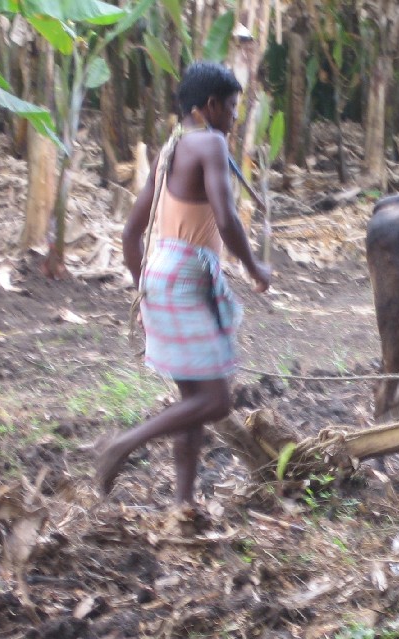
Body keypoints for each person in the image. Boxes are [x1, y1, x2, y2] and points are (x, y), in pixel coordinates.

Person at [96, 61, 272, 509]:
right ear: (210, 106)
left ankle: (183, 505)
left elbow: (130, 233)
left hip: (159, 272)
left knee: (192, 403)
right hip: (187, 276)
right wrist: (255, 267)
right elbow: (228, 218)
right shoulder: (210, 143)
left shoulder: (171, 149)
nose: (235, 118)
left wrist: (143, 291)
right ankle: (123, 444)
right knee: (214, 401)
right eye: (232, 108)